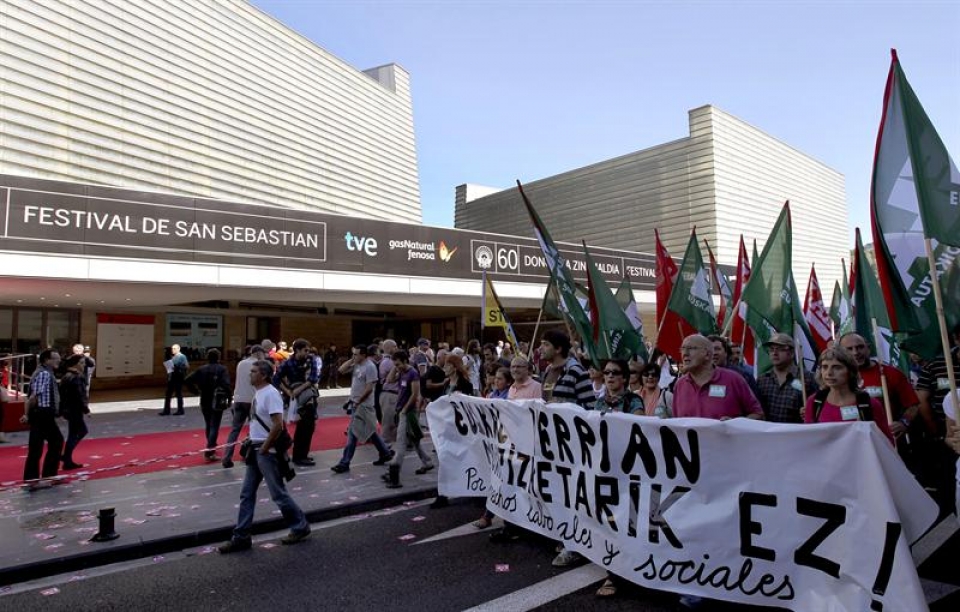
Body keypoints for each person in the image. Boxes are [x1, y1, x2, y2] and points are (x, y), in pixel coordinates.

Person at [218, 359, 310, 553]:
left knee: (278, 493)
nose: (249, 374)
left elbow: (278, 424)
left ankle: (300, 526)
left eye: (253, 371)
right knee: (247, 493)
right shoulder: (258, 394)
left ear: (264, 375)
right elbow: (260, 422)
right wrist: (251, 438)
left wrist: (265, 448)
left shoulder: (271, 394)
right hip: (257, 448)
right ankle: (241, 536)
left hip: (266, 452)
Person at [840, 332, 920, 461]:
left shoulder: (890, 374)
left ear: (868, 348)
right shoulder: (837, 377)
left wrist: (903, 423)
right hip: (851, 446)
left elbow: (913, 405)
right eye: (849, 349)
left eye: (860, 347)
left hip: (887, 442)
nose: (855, 352)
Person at [804, 347, 894, 445]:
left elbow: (886, 442)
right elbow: (808, 440)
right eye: (825, 367)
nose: (829, 373)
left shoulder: (868, 403)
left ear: (850, 371)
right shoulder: (815, 401)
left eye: (837, 367)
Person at [332, 345, 394, 473]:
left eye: (356, 354)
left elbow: (369, 388)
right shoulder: (357, 364)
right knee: (371, 431)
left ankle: (345, 463)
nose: (354, 356)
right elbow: (341, 370)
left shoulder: (369, 367)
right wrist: (352, 359)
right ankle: (385, 453)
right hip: (356, 403)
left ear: (364, 355)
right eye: (353, 354)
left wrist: (358, 401)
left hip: (363, 405)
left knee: (352, 433)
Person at [673, 334, 764, 421]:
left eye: (691, 348)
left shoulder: (734, 379)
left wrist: (734, 424)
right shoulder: (680, 385)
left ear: (707, 355)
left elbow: (758, 414)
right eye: (682, 348)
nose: (685, 353)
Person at [382, 350, 433, 488]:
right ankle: (427, 461)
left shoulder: (413, 373)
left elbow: (415, 394)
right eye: (395, 364)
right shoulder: (402, 372)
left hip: (408, 412)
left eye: (398, 364)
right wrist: (395, 367)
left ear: (405, 361)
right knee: (414, 440)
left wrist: (404, 410)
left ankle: (394, 468)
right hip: (401, 410)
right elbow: (389, 380)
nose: (397, 367)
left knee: (401, 442)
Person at [21, 349, 64, 488]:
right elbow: (33, 396)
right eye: (55, 358)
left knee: (37, 446)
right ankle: (47, 475)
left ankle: (32, 478)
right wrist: (26, 414)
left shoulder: (43, 372)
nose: (58, 360)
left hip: (40, 413)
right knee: (56, 442)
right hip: (42, 413)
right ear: (46, 360)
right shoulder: (44, 374)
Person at [274, 339, 320, 467]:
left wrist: (297, 390)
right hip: (298, 398)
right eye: (305, 350)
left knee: (309, 426)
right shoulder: (288, 363)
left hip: (308, 395)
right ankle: (299, 456)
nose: (307, 352)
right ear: (297, 350)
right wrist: (288, 392)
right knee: (303, 426)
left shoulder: (311, 359)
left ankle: (303, 455)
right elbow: (276, 379)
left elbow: (313, 378)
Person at [756, 333, 817, 423]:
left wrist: (810, 411)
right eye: (772, 349)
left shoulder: (807, 378)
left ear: (792, 353)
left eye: (780, 349)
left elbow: (819, 406)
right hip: (768, 434)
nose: (775, 353)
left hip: (795, 434)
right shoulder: (762, 380)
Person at [222, 345, 265, 468]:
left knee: (235, 430)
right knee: (254, 429)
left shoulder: (241, 363)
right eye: (263, 354)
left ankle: (227, 457)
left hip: (239, 399)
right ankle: (249, 454)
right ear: (258, 353)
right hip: (252, 400)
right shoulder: (258, 365)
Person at [185, 348, 232, 462]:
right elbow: (226, 384)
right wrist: (229, 398)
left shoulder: (201, 369)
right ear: (218, 358)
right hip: (217, 399)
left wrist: (195, 391)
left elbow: (187, 380)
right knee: (215, 424)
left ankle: (211, 443)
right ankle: (210, 450)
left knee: (208, 423)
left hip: (205, 398)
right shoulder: (222, 369)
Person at [539, 330, 594, 408]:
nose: (540, 348)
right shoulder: (548, 371)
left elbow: (590, 406)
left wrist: (562, 406)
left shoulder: (576, 371)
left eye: (546, 345)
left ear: (558, 349)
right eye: (541, 344)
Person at [59, 353, 90, 470]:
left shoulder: (67, 376)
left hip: (69, 408)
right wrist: (85, 409)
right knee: (80, 431)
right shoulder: (75, 377)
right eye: (81, 363)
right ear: (76, 365)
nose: (83, 365)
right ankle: (66, 457)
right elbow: (79, 395)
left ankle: (67, 459)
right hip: (74, 409)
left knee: (75, 432)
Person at [378, 339, 399, 446]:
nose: (397, 348)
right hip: (389, 394)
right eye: (395, 346)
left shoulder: (389, 360)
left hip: (392, 394)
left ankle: (390, 445)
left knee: (393, 421)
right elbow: (391, 379)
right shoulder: (388, 362)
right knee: (388, 422)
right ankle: (384, 447)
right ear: (389, 348)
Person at [160, 344, 189, 416]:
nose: (173, 350)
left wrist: (178, 367)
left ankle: (180, 410)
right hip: (172, 377)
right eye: (172, 348)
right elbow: (170, 368)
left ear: (179, 349)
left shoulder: (182, 356)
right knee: (168, 395)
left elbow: (187, 366)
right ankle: (166, 410)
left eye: (175, 348)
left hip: (178, 378)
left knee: (178, 394)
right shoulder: (172, 357)